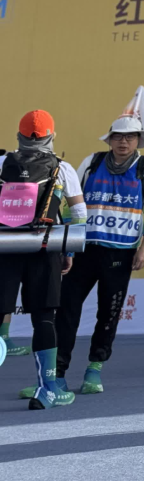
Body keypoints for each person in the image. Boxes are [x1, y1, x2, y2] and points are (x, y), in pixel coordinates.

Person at [49, 113, 144, 395]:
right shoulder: (92, 162)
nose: (123, 142)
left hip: (121, 252)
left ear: (138, 140)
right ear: (110, 139)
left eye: (130, 137)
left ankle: (94, 369)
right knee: (66, 310)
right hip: (84, 249)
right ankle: (56, 374)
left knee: (108, 312)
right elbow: (71, 203)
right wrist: (67, 246)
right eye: (118, 137)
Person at [0, 111, 87, 409]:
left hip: (4, 248)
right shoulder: (62, 167)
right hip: (44, 247)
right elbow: (79, 213)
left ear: (19, 136)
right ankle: (48, 389)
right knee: (44, 318)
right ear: (52, 136)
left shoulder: (2, 162)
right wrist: (69, 251)